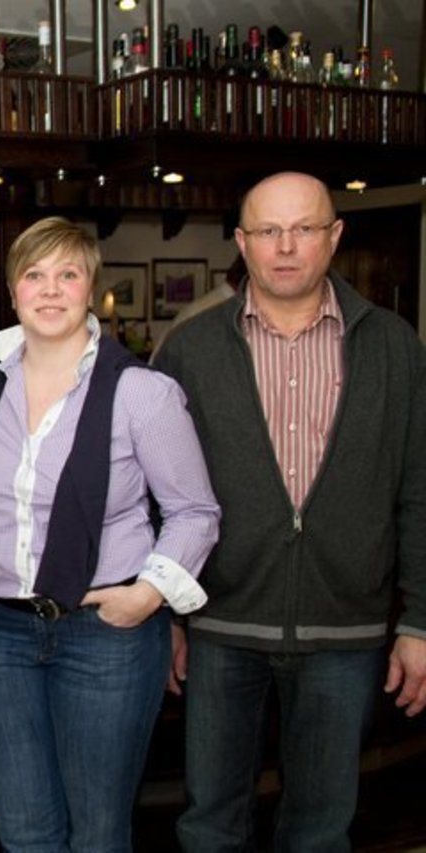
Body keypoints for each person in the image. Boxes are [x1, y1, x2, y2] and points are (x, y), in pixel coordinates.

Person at [154, 171, 426, 851]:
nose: (286, 247)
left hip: (347, 629)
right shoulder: (189, 350)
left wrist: (420, 619)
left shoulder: (396, 348)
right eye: (268, 231)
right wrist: (166, 613)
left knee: (320, 830)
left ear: (334, 237)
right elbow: (153, 497)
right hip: (218, 623)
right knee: (210, 825)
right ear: (242, 243)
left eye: (303, 228)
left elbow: (420, 488)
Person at [0, 216, 220, 852]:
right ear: (12, 291)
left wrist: (148, 595)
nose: (50, 290)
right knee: (23, 832)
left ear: (91, 288)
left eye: (67, 274)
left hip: (107, 635)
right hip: (2, 634)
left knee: (97, 833)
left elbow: (194, 511)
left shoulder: (141, 393)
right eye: (34, 275)